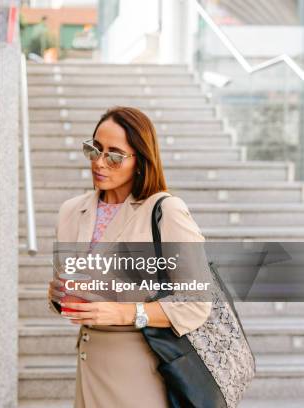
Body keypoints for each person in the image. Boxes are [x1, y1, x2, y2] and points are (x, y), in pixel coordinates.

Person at [47, 106, 211, 407]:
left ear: (140, 161)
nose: (99, 162)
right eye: (94, 149)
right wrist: (58, 295)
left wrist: (125, 312)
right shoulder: (71, 211)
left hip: (141, 369)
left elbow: (197, 302)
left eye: (114, 155)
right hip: (89, 362)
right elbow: (67, 291)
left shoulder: (165, 211)